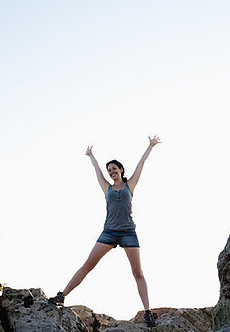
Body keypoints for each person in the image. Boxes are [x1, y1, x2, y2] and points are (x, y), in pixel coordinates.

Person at [48, 135, 162, 328]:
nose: (111, 172)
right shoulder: (106, 188)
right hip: (108, 232)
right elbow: (97, 171)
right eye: (109, 170)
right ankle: (62, 295)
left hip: (128, 233)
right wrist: (91, 156)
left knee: (138, 273)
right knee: (87, 265)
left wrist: (150, 146)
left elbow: (141, 162)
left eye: (114, 169)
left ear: (121, 170)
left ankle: (148, 312)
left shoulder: (130, 185)